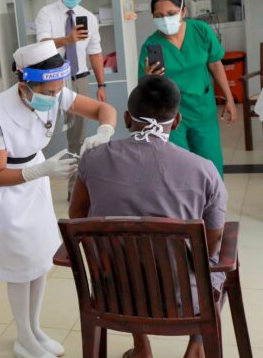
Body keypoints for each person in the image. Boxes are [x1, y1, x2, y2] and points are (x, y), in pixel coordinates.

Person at [0, 40, 116, 358]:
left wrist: (103, 132)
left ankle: (34, 329)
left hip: (34, 175)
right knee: (20, 263)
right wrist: (44, 170)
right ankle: (23, 336)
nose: (55, 97)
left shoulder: (56, 92)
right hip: (3, 187)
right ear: (24, 85)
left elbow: (105, 109)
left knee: (38, 258)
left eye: (57, 90)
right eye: (47, 92)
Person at [69, 76, 227, 358]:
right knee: (218, 266)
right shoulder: (204, 170)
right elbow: (213, 245)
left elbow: (77, 216)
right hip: (186, 301)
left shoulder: (92, 159)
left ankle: (142, 348)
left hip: (115, 294)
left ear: (127, 119)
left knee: (129, 260)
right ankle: (197, 346)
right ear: (176, 121)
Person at [139, 0, 236, 177]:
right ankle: (187, 207)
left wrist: (229, 98)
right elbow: (144, 87)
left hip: (203, 109)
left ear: (183, 12)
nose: (165, 20)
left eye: (171, 13)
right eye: (159, 16)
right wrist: (150, 78)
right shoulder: (151, 45)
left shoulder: (201, 31)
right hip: (171, 114)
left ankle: (213, 206)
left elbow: (215, 64)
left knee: (211, 164)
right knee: (180, 168)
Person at [35, 0, 107, 200]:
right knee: (40, 135)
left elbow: (95, 52)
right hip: (50, 81)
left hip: (79, 79)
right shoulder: (46, 13)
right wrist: (67, 40)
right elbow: (43, 46)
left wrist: (101, 84)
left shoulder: (89, 17)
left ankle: (73, 192)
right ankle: (35, 187)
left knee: (77, 139)